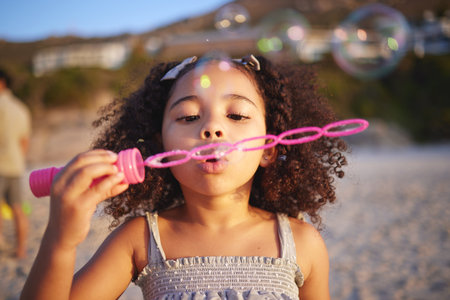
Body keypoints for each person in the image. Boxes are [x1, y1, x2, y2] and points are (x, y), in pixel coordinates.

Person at [21, 54, 348, 299]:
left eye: (236, 114)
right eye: (189, 116)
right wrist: (61, 239)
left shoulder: (302, 242)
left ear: (268, 149)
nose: (212, 127)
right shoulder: (140, 240)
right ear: (159, 146)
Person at [0, 69, 31, 259]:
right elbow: (24, 141)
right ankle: (21, 249)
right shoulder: (21, 109)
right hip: (16, 165)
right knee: (18, 209)